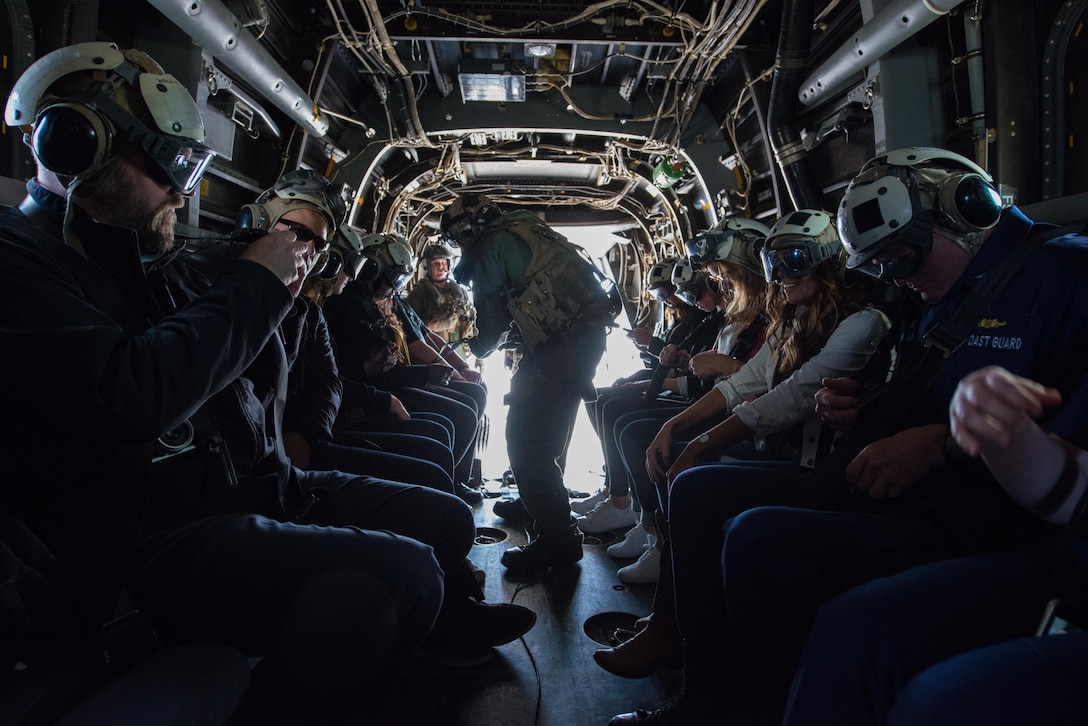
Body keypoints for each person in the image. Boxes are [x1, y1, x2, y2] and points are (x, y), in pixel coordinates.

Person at [0, 42, 528, 717]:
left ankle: (433, 629)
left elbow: (256, 338)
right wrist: (260, 281)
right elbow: (133, 393)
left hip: (253, 485)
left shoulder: (153, 262)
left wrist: (282, 260)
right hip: (143, 539)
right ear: (80, 144)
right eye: (169, 166)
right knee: (399, 578)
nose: (182, 192)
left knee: (444, 517)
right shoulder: (16, 262)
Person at [607, 147, 1088, 724]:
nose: (897, 276)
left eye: (902, 256)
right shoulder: (928, 300)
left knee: (765, 543)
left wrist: (941, 443)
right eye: (882, 264)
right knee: (703, 495)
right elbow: (902, 395)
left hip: (987, 523)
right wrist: (860, 412)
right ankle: (706, 696)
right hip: (907, 495)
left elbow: (1059, 455)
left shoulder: (1065, 279)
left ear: (967, 208)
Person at [596, 209, 889, 679]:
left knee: (694, 484)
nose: (782, 276)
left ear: (829, 263)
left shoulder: (863, 324)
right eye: (774, 264)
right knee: (686, 472)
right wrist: (673, 429)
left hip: (827, 473)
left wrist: (701, 443)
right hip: (787, 457)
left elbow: (788, 398)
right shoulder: (794, 320)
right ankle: (674, 618)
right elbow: (743, 383)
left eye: (795, 260)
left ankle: (681, 640)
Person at [784, 366, 1088, 725]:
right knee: (841, 623)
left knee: (935, 701)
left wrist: (951, 439)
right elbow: (1073, 491)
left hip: (984, 526)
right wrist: (1003, 429)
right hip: (1032, 538)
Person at [441, 192, 617, 568]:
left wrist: (475, 347)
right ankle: (534, 497)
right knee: (551, 430)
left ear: (468, 230)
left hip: (561, 346)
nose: (458, 247)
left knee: (526, 440)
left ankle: (557, 540)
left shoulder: (488, 247)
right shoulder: (523, 226)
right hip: (583, 338)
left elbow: (490, 325)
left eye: (457, 239)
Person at [406, 242, 478, 364]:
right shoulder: (419, 293)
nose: (441, 267)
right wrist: (433, 326)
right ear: (427, 266)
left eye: (444, 262)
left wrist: (478, 357)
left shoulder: (460, 293)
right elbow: (408, 325)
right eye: (436, 264)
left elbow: (472, 320)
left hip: (458, 353)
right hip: (433, 354)